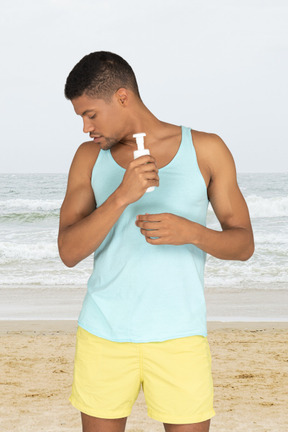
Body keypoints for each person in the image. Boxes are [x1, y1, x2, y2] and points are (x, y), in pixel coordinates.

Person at [58, 51, 254, 432]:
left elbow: (243, 244)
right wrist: (121, 196)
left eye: (90, 114)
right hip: (104, 334)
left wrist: (191, 233)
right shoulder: (87, 159)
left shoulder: (207, 149)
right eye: (80, 117)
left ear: (122, 97)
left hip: (180, 335)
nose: (85, 128)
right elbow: (68, 251)